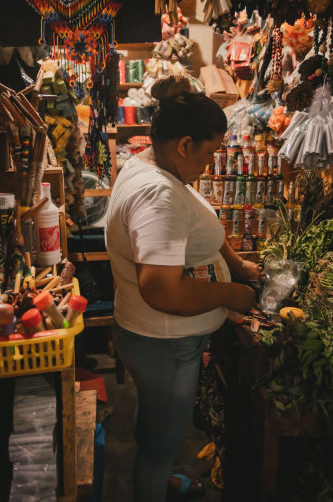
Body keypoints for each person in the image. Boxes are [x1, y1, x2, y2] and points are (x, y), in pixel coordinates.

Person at [105, 76, 261, 502]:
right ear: (185, 143)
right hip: (165, 340)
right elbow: (163, 291)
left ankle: (157, 472)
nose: (211, 163)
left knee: (155, 417)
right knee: (165, 437)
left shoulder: (151, 162)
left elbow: (194, 214)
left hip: (148, 335)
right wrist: (230, 295)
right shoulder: (158, 197)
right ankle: (153, 481)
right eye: (210, 152)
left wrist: (233, 263)